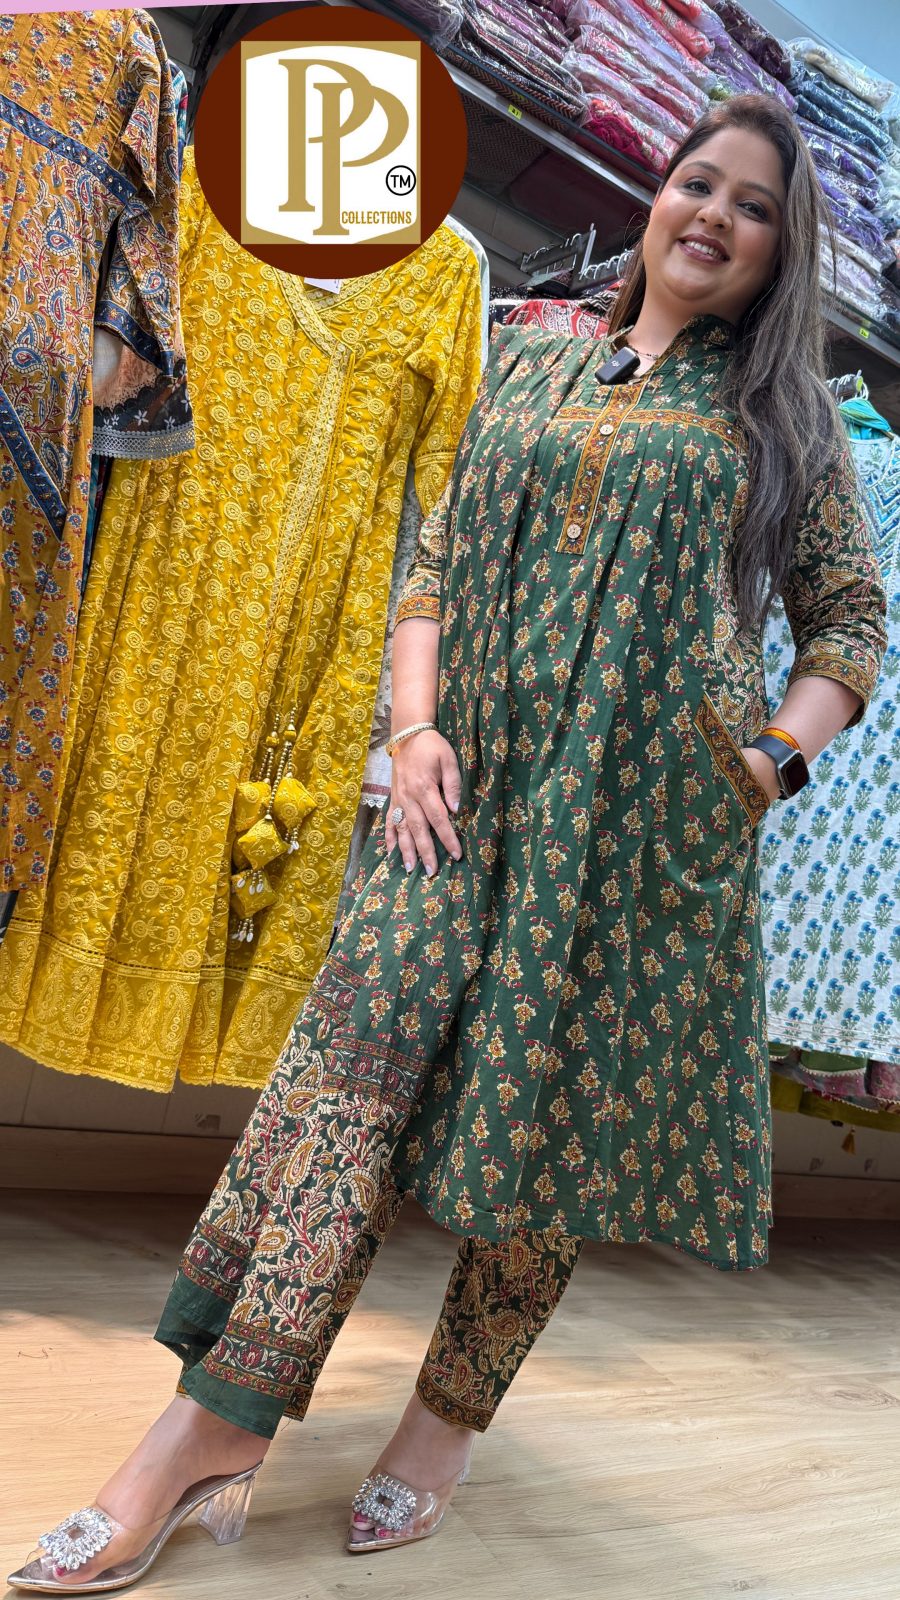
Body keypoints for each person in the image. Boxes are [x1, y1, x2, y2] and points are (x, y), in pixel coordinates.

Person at [9, 92, 887, 1593]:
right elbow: (432, 556)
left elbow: (850, 628)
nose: (714, 217)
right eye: (698, 182)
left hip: (645, 833)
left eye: (754, 207)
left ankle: (444, 1424)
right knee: (342, 1089)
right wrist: (412, 731)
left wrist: (763, 766)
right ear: (660, 197)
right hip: (457, 804)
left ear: (778, 250)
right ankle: (207, 1429)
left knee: (549, 1135)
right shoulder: (531, 352)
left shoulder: (783, 423)